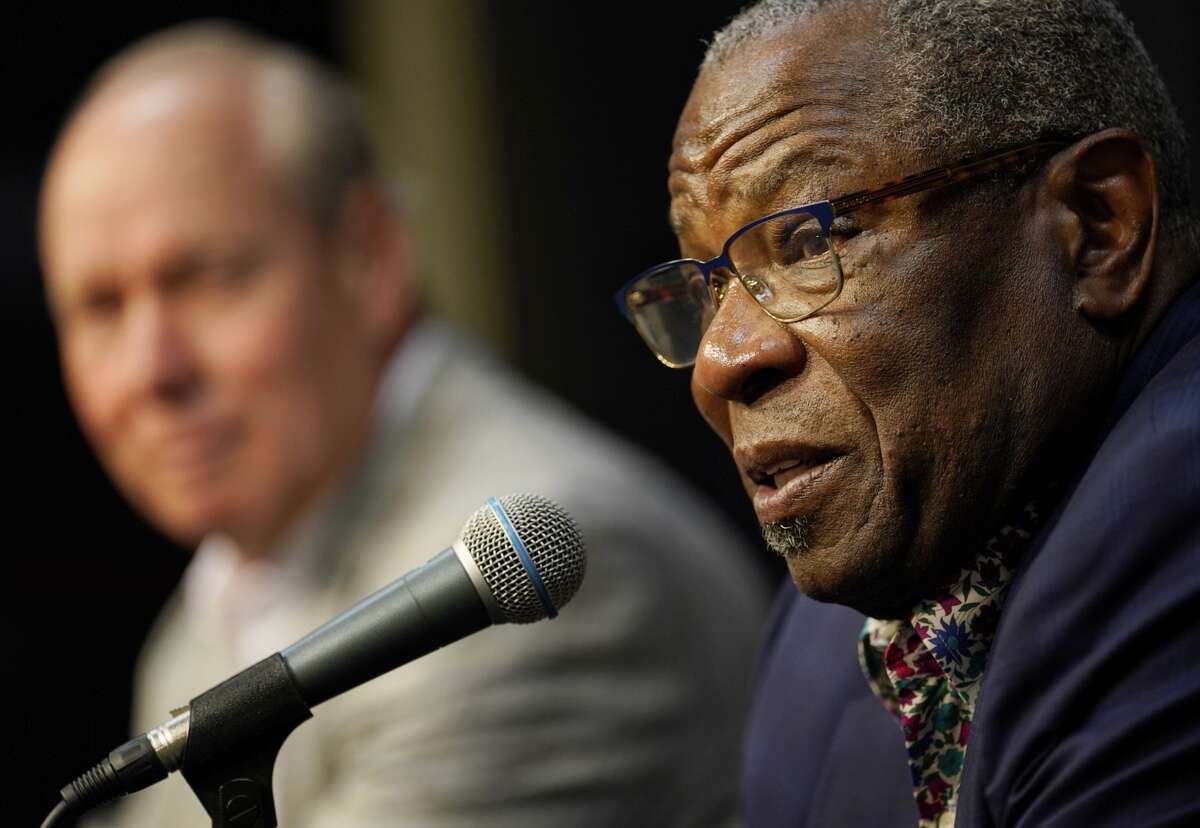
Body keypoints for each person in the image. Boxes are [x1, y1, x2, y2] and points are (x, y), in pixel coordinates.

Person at [38, 22, 768, 828]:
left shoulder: (503, 590)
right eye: (100, 308)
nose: (151, 370)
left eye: (208, 278)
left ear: (371, 256)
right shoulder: (215, 603)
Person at [615, 0, 1200, 825]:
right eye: (708, 284)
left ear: (1096, 225)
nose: (720, 361)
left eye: (813, 242)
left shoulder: (1171, 522)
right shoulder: (817, 645)